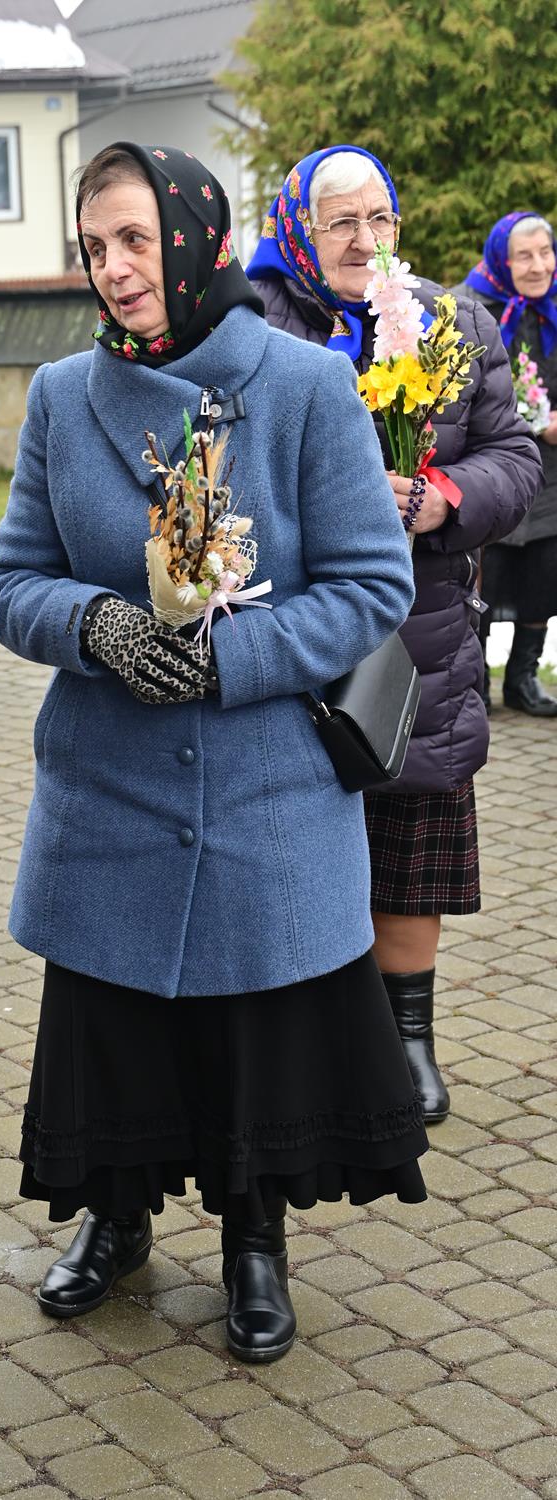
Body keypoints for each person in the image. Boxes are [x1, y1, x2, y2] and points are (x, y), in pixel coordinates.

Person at [0, 141, 430, 1366]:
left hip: (263, 789)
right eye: (93, 247)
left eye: (134, 239)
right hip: (110, 789)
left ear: (194, 237)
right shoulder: (63, 396)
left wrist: (233, 658)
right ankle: (114, 1217)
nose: (114, 269)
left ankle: (252, 1243)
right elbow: (7, 581)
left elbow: (370, 587)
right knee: (114, 1024)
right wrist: (97, 625)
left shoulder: (304, 385)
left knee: (253, 1034)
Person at [247, 146, 541, 1126]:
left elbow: (511, 457)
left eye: (380, 219)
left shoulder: (453, 322)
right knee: (294, 842)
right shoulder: (252, 324)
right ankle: (310, 1045)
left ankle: (405, 1037)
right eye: (340, 221)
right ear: (298, 229)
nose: (364, 239)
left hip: (421, 632)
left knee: (410, 840)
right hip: (290, 632)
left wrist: (440, 497)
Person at [463, 212, 557, 715]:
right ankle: (474, 684)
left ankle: (522, 679)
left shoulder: (554, 307)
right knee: (485, 579)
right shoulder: (471, 307)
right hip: (494, 465)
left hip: (551, 475)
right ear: (502, 259)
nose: (539, 265)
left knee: (544, 574)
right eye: (525, 255)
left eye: (546, 252)